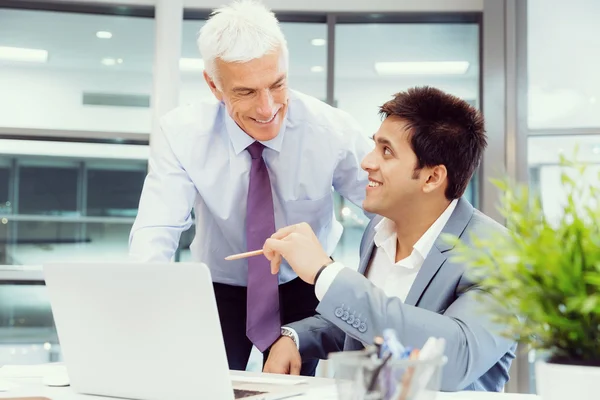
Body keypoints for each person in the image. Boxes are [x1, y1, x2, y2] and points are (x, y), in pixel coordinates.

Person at [128, 0, 371, 376]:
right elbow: (157, 229)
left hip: (303, 284)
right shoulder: (182, 133)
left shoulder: (332, 131)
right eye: (245, 92)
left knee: (296, 390)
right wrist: (142, 308)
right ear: (214, 85)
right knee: (207, 385)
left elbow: (386, 207)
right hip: (222, 285)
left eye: (277, 84)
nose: (267, 107)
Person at [261, 86, 517, 391]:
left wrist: (325, 273)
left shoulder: (500, 254)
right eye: (374, 146)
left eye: (386, 151)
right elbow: (364, 322)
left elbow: (455, 359)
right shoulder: (377, 231)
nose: (367, 162)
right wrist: (296, 337)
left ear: (432, 177)